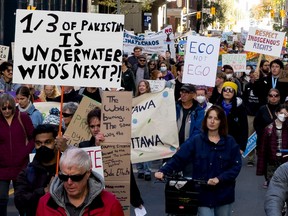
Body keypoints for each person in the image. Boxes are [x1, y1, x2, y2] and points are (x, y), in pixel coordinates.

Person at [155, 105, 242, 216]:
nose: (212, 121)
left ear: (221, 122)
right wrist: (163, 170)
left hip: (224, 194)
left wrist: (219, 179)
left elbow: (236, 167)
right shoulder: (196, 140)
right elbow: (179, 158)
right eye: (210, 117)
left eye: (216, 118)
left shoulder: (230, 142)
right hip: (202, 194)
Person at [35, 147, 124, 216]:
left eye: (76, 177)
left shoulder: (110, 203)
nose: (69, 182)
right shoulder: (45, 203)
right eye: (64, 177)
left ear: (88, 173)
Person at [0, 93, 34, 216]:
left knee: (21, 199)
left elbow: (33, 137)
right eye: (4, 108)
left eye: (10, 107)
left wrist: (25, 152)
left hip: (21, 165)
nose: (7, 110)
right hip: (2, 167)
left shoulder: (22, 117)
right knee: (1, 198)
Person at [14, 124, 59, 216]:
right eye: (38, 143)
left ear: (55, 142)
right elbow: (19, 201)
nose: (43, 146)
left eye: (47, 142)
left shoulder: (67, 168)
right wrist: (44, 191)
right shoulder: (26, 173)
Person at [253, 88, 281, 188]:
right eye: (271, 95)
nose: (273, 98)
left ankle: (279, 178)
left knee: (279, 159)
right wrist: (263, 134)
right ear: (268, 97)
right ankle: (267, 179)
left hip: (280, 138)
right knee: (265, 159)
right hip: (264, 139)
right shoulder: (262, 109)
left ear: (279, 97)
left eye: (276, 95)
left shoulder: (282, 109)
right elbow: (256, 123)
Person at [256, 104, 288, 184]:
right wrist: (261, 169)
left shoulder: (287, 128)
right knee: (273, 185)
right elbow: (263, 149)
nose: (283, 115)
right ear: (276, 113)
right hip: (271, 162)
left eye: (285, 113)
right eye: (281, 113)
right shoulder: (268, 129)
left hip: (285, 161)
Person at [215, 81, 248, 152]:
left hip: (234, 142)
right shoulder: (216, 106)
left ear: (234, 93)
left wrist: (242, 147)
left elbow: (244, 128)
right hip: (217, 141)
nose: (227, 92)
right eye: (225, 90)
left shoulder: (240, 107)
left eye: (230, 90)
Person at [135, 80, 152, 180]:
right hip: (137, 127)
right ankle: (140, 169)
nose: (141, 87)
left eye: (143, 86)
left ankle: (147, 171)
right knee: (137, 148)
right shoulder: (135, 99)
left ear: (147, 87)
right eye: (140, 86)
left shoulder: (151, 99)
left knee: (147, 149)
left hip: (147, 127)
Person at [242, 70, 260, 166]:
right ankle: (251, 158)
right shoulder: (247, 85)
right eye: (252, 75)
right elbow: (245, 98)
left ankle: (262, 156)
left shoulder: (262, 85)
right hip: (250, 114)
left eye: (256, 75)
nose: (254, 77)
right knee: (250, 136)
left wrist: (256, 83)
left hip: (260, 114)